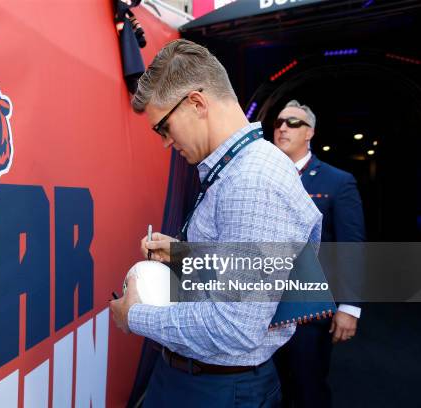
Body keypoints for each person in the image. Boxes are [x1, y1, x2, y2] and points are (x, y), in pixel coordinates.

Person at [109, 39, 322, 407]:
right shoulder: (237, 169)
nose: (164, 142)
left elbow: (234, 328)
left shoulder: (252, 180)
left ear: (196, 103)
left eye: (163, 127)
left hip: (217, 388)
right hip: (202, 379)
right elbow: (240, 272)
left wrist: (135, 316)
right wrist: (183, 255)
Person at [273, 100, 365, 408]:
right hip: (262, 309)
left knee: (306, 388)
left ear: (310, 132)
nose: (283, 127)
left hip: (308, 313)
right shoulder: (262, 177)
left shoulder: (337, 182)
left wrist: (350, 306)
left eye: (293, 123)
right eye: (279, 122)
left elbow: (351, 247)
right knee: (268, 389)